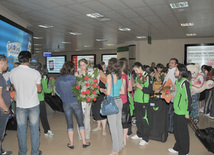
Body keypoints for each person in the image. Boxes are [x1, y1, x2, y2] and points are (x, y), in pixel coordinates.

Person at [10, 51, 42, 155]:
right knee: (34, 129)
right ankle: (35, 152)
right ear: (29, 60)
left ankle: (22, 152)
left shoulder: (13, 72)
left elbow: (14, 86)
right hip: (33, 104)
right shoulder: (35, 73)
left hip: (20, 105)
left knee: (21, 130)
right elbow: (39, 90)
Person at [56, 61, 90, 149]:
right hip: (75, 101)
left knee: (69, 123)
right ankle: (84, 142)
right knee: (80, 122)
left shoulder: (59, 79)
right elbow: (79, 89)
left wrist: (63, 97)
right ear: (71, 69)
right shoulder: (75, 78)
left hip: (65, 103)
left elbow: (58, 91)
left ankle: (71, 143)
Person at [100, 58, 124, 155]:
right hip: (119, 101)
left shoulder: (110, 76)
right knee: (119, 124)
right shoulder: (120, 76)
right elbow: (122, 91)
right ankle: (120, 145)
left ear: (110, 65)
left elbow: (108, 92)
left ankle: (115, 149)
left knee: (113, 127)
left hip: (111, 102)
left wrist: (102, 90)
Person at [168, 64, 192, 155]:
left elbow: (189, 99)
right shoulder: (178, 81)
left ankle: (184, 151)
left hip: (182, 112)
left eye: (176, 70)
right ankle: (177, 147)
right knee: (177, 131)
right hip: (176, 110)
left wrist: (187, 112)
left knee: (183, 133)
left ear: (181, 72)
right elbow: (175, 93)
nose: (175, 71)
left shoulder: (185, 82)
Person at [131, 62, 153, 146]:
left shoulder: (148, 77)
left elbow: (149, 90)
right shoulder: (137, 77)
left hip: (144, 101)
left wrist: (141, 87)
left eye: (136, 70)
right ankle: (139, 134)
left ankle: (145, 138)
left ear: (140, 68)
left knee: (144, 120)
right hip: (137, 100)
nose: (135, 72)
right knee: (138, 119)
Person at [74, 59, 91, 140]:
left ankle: (87, 133)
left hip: (88, 97)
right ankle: (81, 134)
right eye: (80, 65)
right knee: (80, 116)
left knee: (87, 117)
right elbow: (74, 86)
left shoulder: (90, 74)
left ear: (87, 64)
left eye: (83, 65)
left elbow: (92, 85)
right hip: (79, 98)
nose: (82, 67)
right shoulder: (76, 74)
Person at [0, 55, 12, 155]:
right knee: (0, 132)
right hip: (2, 110)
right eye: (7, 62)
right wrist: (6, 110)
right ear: (1, 62)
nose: (8, 65)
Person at [38, 64, 54, 137]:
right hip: (40, 99)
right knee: (43, 116)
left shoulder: (31, 75)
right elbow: (45, 90)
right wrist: (52, 89)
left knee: (34, 118)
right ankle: (46, 130)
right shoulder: (43, 77)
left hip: (32, 100)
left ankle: (36, 132)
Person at [119, 58, 132, 148]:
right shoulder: (127, 76)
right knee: (125, 122)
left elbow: (122, 91)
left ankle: (123, 141)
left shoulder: (122, 76)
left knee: (122, 122)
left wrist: (113, 90)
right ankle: (124, 140)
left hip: (121, 102)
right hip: (126, 101)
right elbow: (130, 89)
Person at [91, 64, 107, 136]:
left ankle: (104, 129)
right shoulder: (94, 77)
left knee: (102, 112)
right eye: (94, 70)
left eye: (96, 70)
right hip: (95, 96)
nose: (95, 72)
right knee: (96, 111)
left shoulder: (103, 77)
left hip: (102, 96)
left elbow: (106, 86)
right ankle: (98, 126)